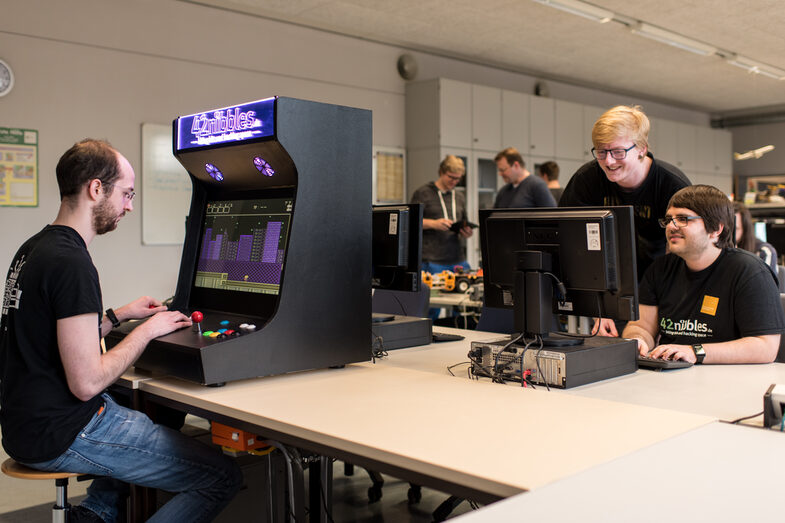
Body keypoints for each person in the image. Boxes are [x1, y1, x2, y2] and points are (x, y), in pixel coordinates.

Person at [0, 139, 242, 522]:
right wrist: (144, 332)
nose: (129, 206)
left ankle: (97, 511)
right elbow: (86, 381)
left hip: (24, 425)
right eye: (126, 194)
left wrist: (120, 314)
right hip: (64, 430)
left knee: (159, 412)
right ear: (96, 189)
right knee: (221, 476)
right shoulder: (73, 263)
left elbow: (53, 336)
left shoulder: (36, 249)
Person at [560, 105, 690, 336]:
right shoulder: (587, 181)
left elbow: (685, 249)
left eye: (618, 152)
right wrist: (597, 306)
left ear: (641, 149)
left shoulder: (672, 185)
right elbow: (573, 245)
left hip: (663, 285)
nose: (609, 161)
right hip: (612, 289)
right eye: (601, 152)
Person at [621, 185, 783, 364]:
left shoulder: (750, 272)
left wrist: (695, 351)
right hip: (671, 376)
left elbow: (765, 347)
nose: (671, 226)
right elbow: (641, 325)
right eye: (669, 219)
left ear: (716, 230)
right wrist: (637, 339)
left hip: (732, 380)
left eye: (683, 219)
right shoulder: (660, 269)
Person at [410, 155, 473, 275]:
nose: (454, 181)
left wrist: (467, 232)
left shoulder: (459, 196)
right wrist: (433, 223)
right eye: (451, 177)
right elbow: (410, 222)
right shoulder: (423, 193)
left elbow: (464, 221)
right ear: (441, 172)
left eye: (457, 178)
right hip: (432, 261)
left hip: (458, 259)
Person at [734, 201, 779, 273]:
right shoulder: (718, 251)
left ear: (745, 229)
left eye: (735, 229)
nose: (729, 233)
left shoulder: (764, 252)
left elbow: (764, 283)